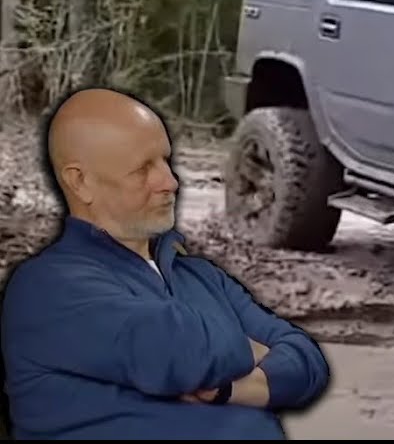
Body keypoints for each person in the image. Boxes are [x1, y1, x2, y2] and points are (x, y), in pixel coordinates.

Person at [0, 87, 330, 439]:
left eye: (165, 161)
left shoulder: (201, 276)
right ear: (80, 182)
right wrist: (255, 352)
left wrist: (228, 389)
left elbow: (308, 362)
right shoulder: (44, 286)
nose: (170, 182)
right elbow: (178, 353)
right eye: (143, 168)